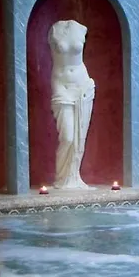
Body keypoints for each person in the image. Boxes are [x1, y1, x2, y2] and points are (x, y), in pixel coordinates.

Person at [48, 20, 95, 189]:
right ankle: (61, 178)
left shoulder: (81, 29)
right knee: (67, 137)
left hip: (82, 85)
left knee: (79, 137)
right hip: (61, 86)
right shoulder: (55, 30)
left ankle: (74, 177)